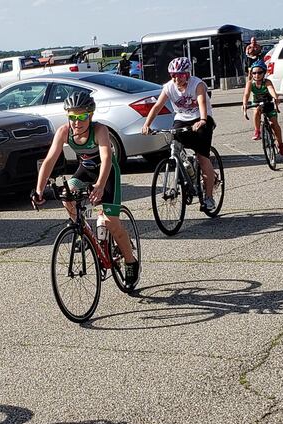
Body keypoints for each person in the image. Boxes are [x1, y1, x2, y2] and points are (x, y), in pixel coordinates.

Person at [32, 92, 139, 290]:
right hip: (86, 171)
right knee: (67, 194)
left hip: (107, 173)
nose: (76, 122)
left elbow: (106, 159)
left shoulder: (100, 130)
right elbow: (49, 160)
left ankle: (131, 262)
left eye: (81, 117)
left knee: (110, 222)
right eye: (72, 117)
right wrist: (38, 189)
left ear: (90, 115)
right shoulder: (64, 132)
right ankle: (79, 229)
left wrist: (99, 185)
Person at [141, 57, 217, 211]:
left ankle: (209, 197)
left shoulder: (198, 84)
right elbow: (157, 106)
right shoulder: (169, 87)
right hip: (182, 118)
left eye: (180, 75)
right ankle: (187, 172)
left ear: (187, 74)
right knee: (175, 147)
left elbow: (202, 101)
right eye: (173, 75)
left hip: (201, 118)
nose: (176, 78)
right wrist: (147, 124)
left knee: (202, 157)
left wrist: (202, 120)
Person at [242, 60, 283, 156]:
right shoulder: (250, 83)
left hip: (268, 103)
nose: (256, 75)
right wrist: (245, 105)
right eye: (254, 73)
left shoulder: (266, 82)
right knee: (256, 110)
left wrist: (275, 98)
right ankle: (257, 131)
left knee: (274, 124)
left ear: (264, 72)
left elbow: (271, 89)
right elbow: (246, 94)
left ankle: (280, 144)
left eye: (259, 72)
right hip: (257, 103)